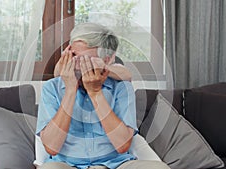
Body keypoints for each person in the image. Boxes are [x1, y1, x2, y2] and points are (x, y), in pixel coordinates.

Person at [36, 23, 170, 169]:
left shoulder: (121, 88)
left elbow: (122, 146)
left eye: (85, 60)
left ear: (106, 60)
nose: (75, 64)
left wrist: (95, 93)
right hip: (66, 164)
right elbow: (51, 148)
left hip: (116, 164)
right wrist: (69, 91)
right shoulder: (52, 88)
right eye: (73, 55)